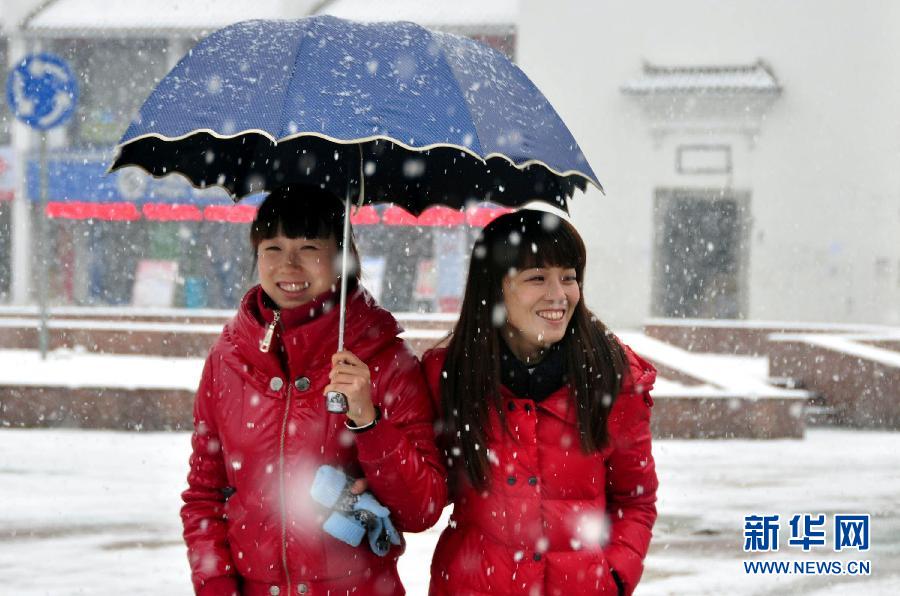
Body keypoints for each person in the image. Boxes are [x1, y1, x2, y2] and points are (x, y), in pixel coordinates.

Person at [181, 185, 446, 596]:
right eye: (272, 248)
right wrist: (216, 586)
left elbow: (422, 508)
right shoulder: (228, 358)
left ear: (342, 258)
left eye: (308, 247)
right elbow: (204, 494)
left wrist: (368, 421)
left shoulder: (386, 359)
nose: (288, 264)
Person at [422, 209, 658, 596]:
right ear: (495, 288)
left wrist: (614, 577)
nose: (558, 294)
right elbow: (425, 496)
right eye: (537, 278)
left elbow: (636, 500)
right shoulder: (450, 375)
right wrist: (372, 429)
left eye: (568, 277)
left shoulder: (611, 375)